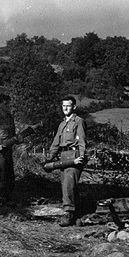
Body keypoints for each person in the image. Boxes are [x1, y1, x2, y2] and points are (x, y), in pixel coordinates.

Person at [47, 96, 87, 227]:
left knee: (68, 186)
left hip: (74, 157)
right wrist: (49, 158)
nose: (65, 108)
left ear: (74, 107)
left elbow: (82, 141)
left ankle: (68, 214)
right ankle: (78, 216)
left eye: (68, 106)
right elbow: (56, 143)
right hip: (63, 157)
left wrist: (81, 156)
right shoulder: (62, 124)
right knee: (68, 186)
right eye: (63, 105)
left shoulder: (78, 121)